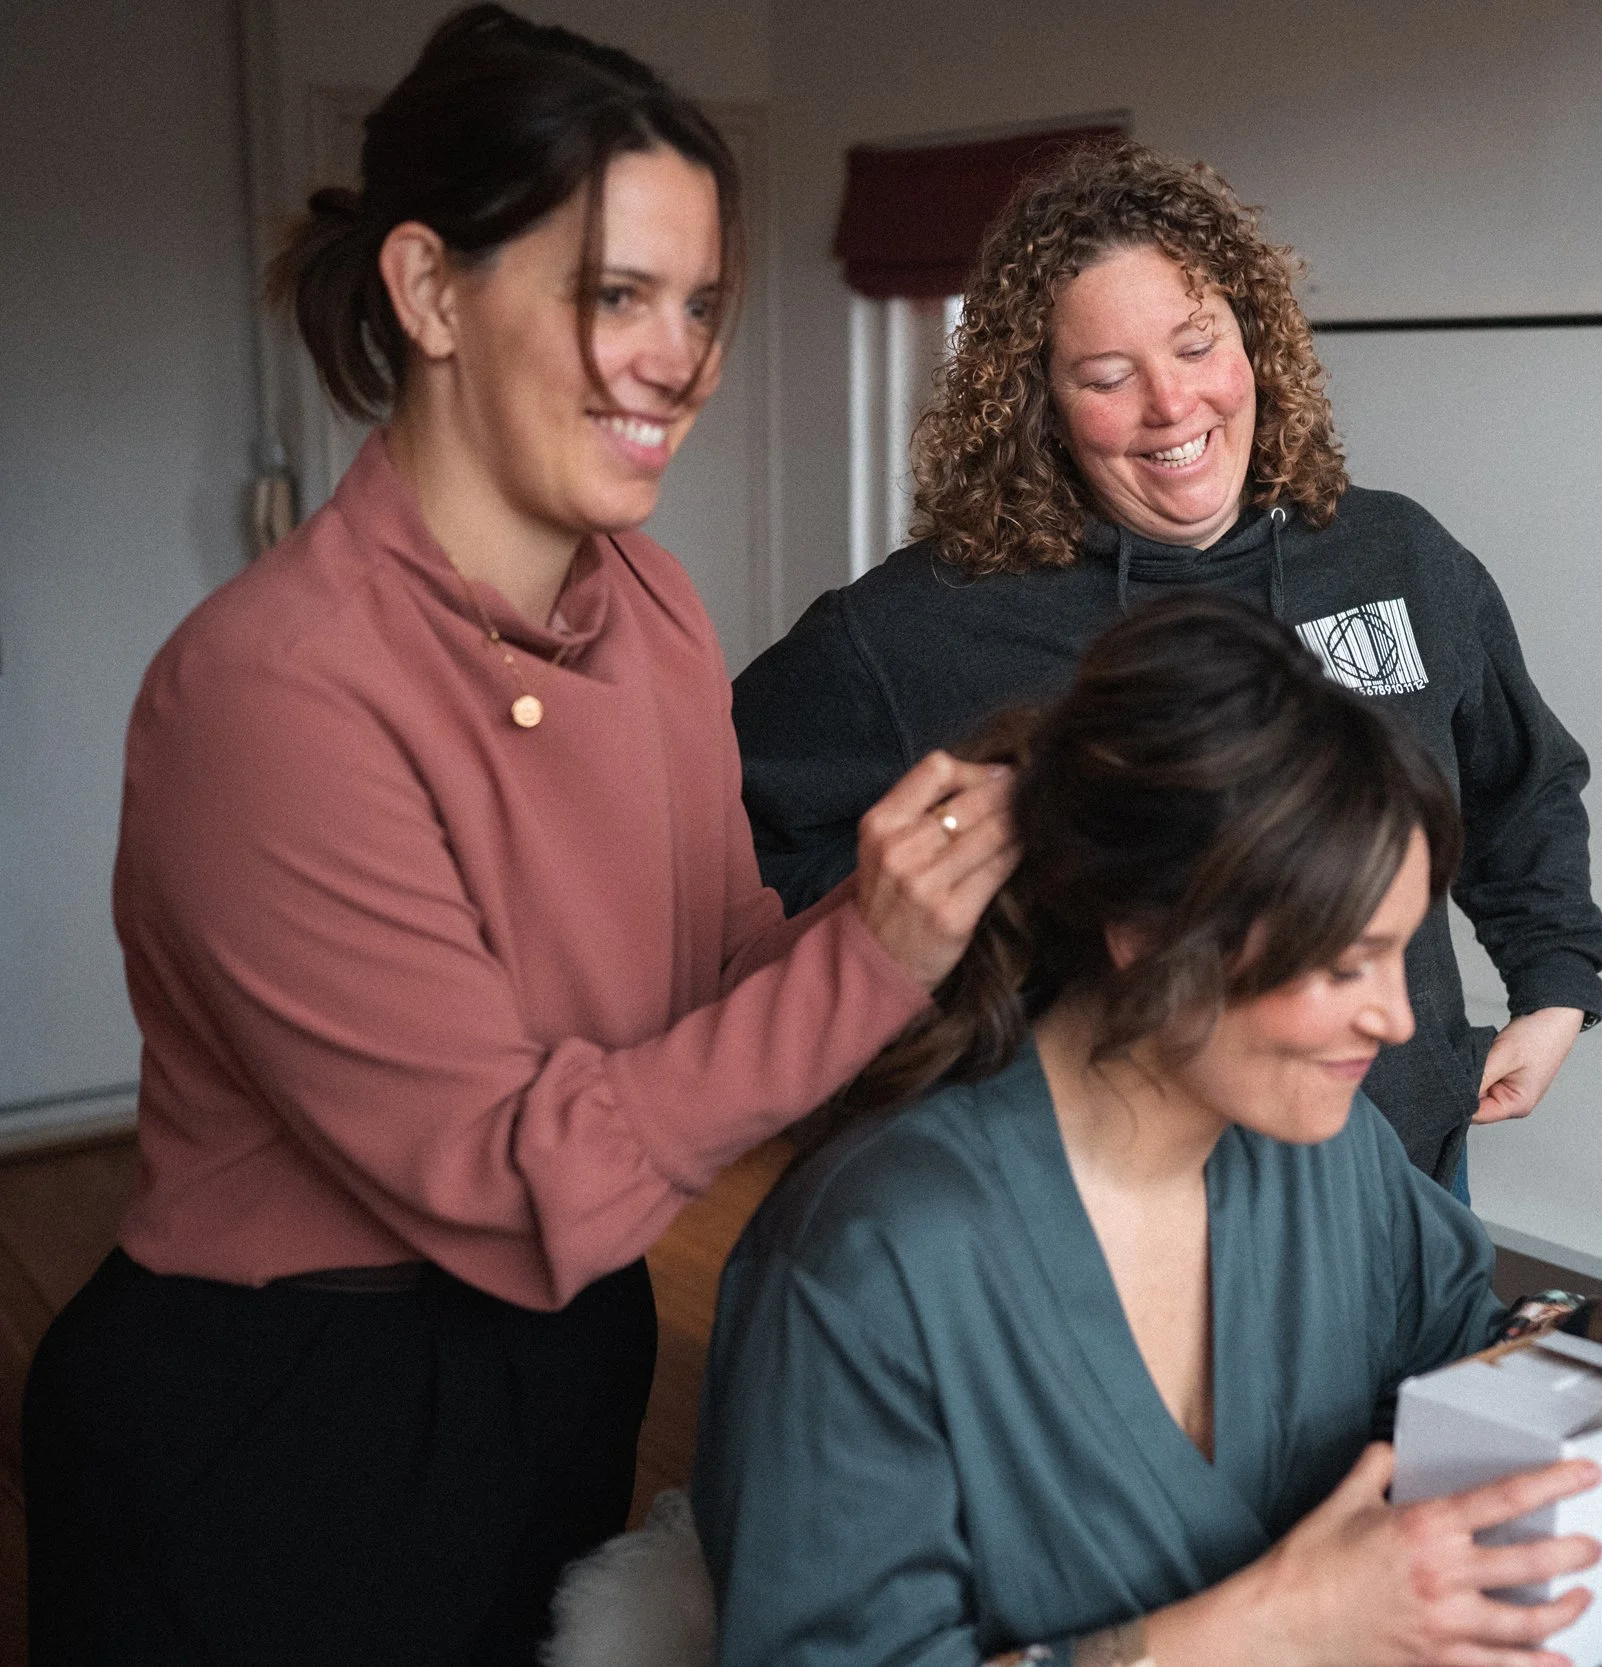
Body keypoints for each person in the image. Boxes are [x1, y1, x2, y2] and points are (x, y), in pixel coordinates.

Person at [22, 10, 1013, 1664]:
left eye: (699, 305)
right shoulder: (270, 688)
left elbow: (718, 969)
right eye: (614, 294)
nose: (675, 359)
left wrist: (952, 915)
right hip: (282, 1415)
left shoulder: (651, 602)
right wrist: (873, 950)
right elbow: (509, 1180)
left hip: (562, 1352)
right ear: (427, 294)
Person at [696, 594, 1602, 1667]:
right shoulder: (869, 1261)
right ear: (1144, 925)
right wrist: (1264, 1628)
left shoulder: (1330, 1157)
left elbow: (1457, 1404)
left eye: (1399, 955)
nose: (1397, 1020)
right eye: (1342, 962)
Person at [732, 141, 1602, 1193]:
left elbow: (1522, 783)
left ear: (1255, 340)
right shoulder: (918, 626)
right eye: (1106, 376)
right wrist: (949, 963)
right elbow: (732, 845)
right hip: (1093, 1194)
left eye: (1196, 346)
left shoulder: (1400, 556)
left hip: (1398, 1163)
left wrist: (1555, 985)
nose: (1170, 404)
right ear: (1038, 402)